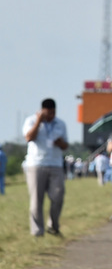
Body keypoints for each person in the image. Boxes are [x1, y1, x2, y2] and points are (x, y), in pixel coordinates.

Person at [22, 98, 69, 236]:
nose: (51, 116)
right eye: (48, 113)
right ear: (42, 111)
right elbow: (29, 137)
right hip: (36, 164)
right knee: (36, 200)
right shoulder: (31, 121)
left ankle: (53, 225)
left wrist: (60, 143)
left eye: (53, 113)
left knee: (58, 195)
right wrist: (38, 121)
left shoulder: (60, 124)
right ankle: (37, 232)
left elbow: (66, 145)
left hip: (56, 164)